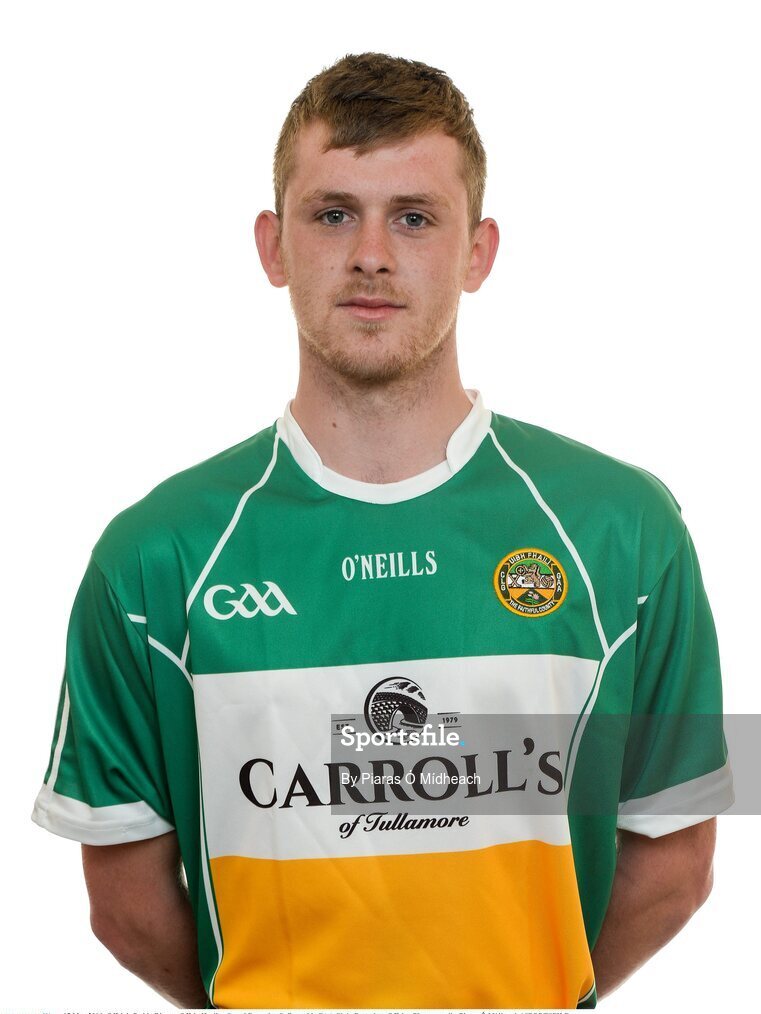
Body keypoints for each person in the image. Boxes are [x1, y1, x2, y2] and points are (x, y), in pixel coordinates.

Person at [31, 51, 734, 1009]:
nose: (370, 253)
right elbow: (122, 904)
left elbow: (679, 862)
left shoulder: (626, 530)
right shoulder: (154, 557)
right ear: (273, 247)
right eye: (332, 215)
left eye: (413, 217)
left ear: (477, 251)